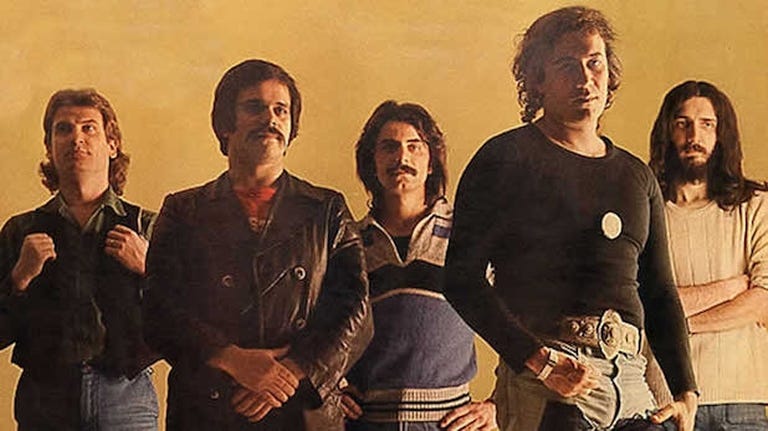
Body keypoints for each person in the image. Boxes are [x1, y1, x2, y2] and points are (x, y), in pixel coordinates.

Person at [443, 6, 699, 431]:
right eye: (566, 65)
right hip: (547, 382)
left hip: (632, 385)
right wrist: (538, 361)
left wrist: (686, 392)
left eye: (594, 62)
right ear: (538, 79)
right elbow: (460, 279)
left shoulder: (637, 176)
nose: (584, 78)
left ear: (609, 74)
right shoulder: (503, 159)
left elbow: (659, 292)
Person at [143, 59, 372, 431]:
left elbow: (355, 311)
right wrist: (232, 360)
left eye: (281, 110)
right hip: (208, 409)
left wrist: (289, 373)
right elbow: (158, 310)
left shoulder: (326, 209)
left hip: (302, 411)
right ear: (225, 123)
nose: (270, 119)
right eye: (254, 107)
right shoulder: (183, 210)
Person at [0, 88, 159, 430]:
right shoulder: (19, 231)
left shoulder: (148, 227)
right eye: (64, 129)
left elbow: (186, 317)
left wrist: (150, 268)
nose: (76, 138)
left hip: (127, 399)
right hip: (45, 400)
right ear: (49, 147)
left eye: (89, 127)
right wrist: (19, 279)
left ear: (112, 144)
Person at [340, 100, 497, 431]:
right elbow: (318, 328)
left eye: (414, 146)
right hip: (367, 423)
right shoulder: (347, 243)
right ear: (371, 162)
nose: (402, 157)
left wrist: (498, 403)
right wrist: (330, 388)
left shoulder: (469, 234)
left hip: (448, 422)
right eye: (389, 147)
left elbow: (526, 315)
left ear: (431, 162)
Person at [648, 80, 768, 430]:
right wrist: (731, 289)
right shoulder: (645, 211)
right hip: (662, 400)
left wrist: (674, 325)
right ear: (667, 132)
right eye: (682, 123)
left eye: (707, 124)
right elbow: (638, 304)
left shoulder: (757, 206)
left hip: (741, 402)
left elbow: (762, 303)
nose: (694, 136)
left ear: (722, 134)